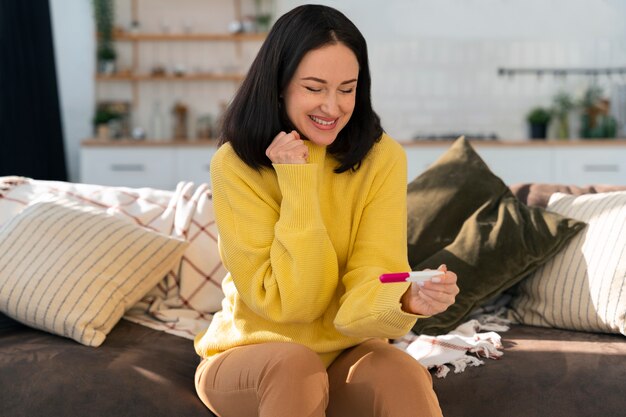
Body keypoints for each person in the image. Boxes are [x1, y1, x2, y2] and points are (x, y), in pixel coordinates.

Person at [194, 4, 459, 417]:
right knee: (295, 366)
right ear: (279, 85)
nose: (332, 107)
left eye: (347, 88)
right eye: (315, 88)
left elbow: (370, 280)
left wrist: (403, 300)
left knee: (399, 372)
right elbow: (291, 304)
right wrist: (297, 182)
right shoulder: (234, 164)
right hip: (251, 356)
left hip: (345, 354)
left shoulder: (381, 158)